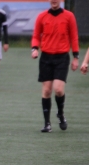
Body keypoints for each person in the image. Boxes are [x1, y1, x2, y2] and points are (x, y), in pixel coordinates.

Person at [31, 0, 79, 133]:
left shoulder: (69, 16)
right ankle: (47, 123)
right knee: (46, 91)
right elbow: (36, 36)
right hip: (46, 58)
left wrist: (76, 57)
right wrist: (34, 48)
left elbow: (74, 37)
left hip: (62, 58)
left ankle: (60, 114)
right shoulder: (42, 16)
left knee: (58, 89)